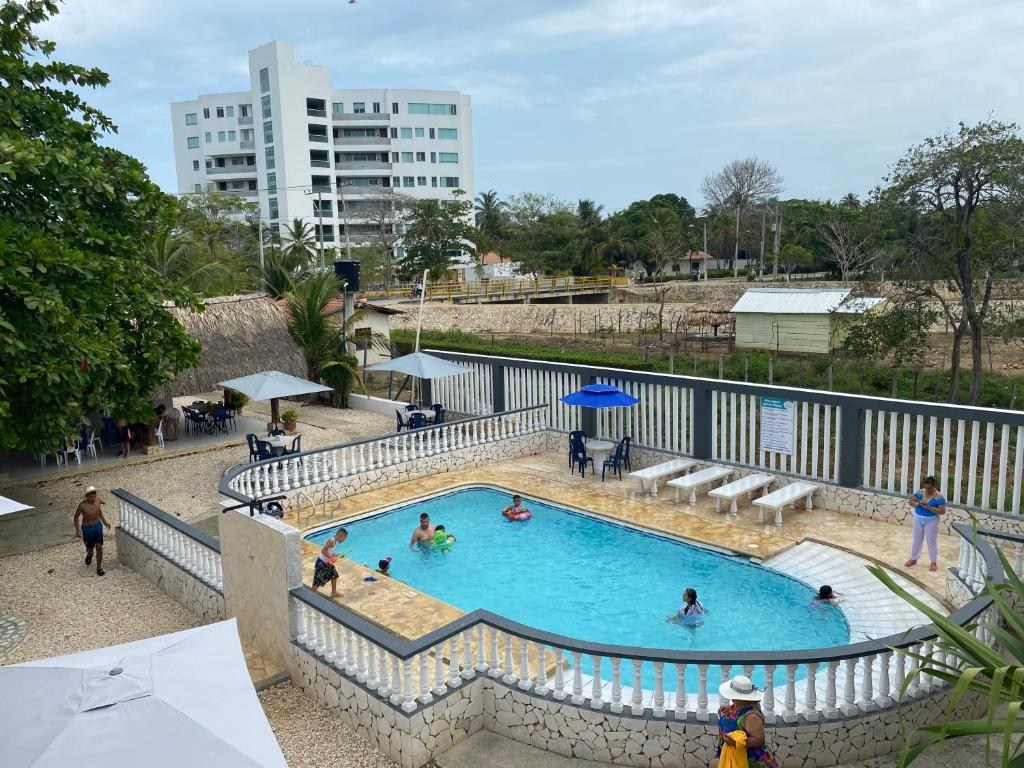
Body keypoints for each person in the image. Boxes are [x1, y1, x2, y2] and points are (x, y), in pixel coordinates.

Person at [716, 675, 779, 768]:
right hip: (737, 758)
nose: (731, 698)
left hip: (749, 761)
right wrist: (730, 709)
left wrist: (734, 743)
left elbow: (759, 739)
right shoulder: (740, 705)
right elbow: (739, 715)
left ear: (742, 698)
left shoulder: (752, 717)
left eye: (733, 695)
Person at [905, 475, 946, 572]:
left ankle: (933, 562)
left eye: (929, 488)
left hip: (931, 520)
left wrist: (929, 507)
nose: (927, 490)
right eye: (926, 487)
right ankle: (913, 558)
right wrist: (918, 503)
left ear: (934, 486)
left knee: (931, 541)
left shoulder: (938, 496)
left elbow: (942, 511)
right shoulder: (920, 492)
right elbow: (910, 501)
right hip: (918, 518)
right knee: (917, 539)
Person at [74, 486, 111, 576]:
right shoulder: (82, 506)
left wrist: (105, 522)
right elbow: (76, 517)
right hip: (87, 528)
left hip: (97, 526)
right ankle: (89, 555)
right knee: (90, 549)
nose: (93, 497)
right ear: (87, 496)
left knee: (99, 546)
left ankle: (99, 567)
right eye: (91, 495)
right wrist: (78, 529)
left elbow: (99, 511)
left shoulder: (98, 500)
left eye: (94, 494)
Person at [312, 527, 348, 598]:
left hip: (327, 563)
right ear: (341, 536)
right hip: (321, 564)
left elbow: (331, 553)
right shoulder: (331, 541)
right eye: (344, 538)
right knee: (318, 582)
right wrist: (331, 558)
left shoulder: (334, 542)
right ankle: (309, 596)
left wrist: (339, 555)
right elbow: (323, 550)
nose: (344, 540)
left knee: (334, 575)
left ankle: (333, 593)